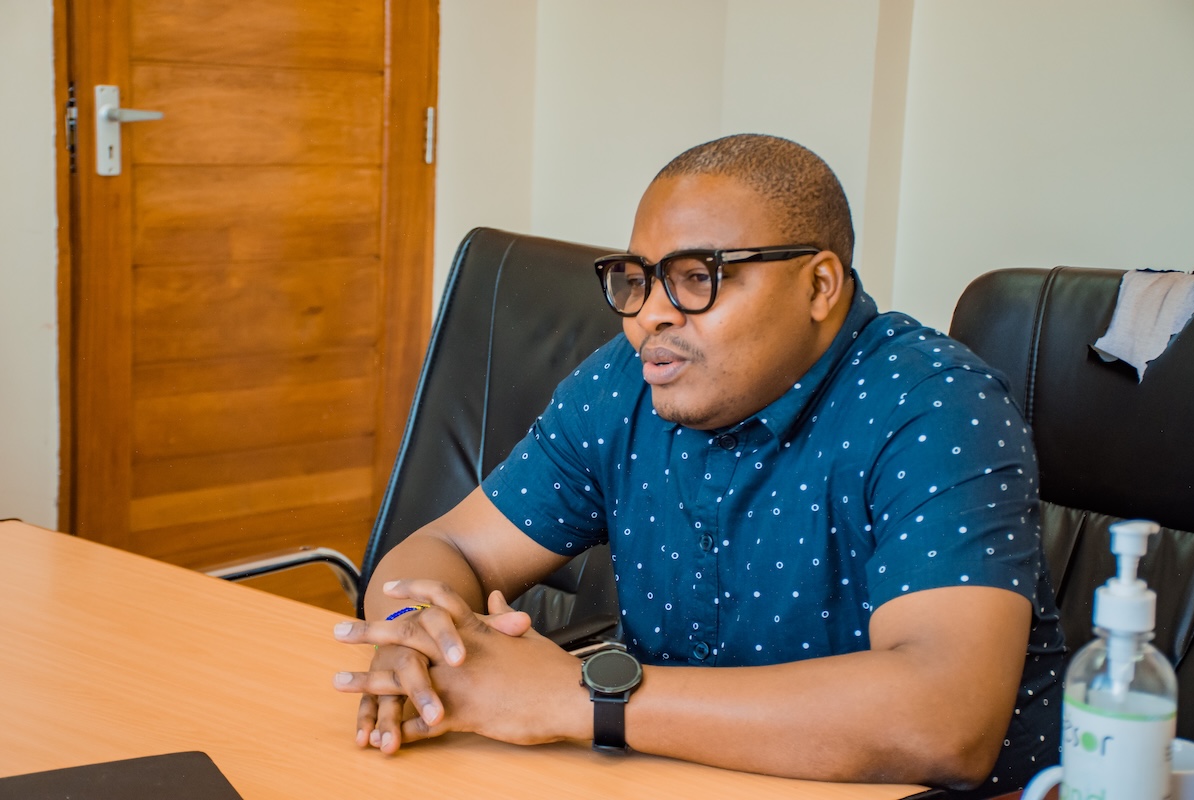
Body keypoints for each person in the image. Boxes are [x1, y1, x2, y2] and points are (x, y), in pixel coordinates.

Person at [332, 134, 1065, 797]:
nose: (650, 314)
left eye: (696, 277)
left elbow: (944, 719)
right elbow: (449, 548)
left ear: (819, 286)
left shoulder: (933, 406)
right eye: (637, 279)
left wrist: (578, 700)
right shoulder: (623, 384)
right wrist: (416, 634)